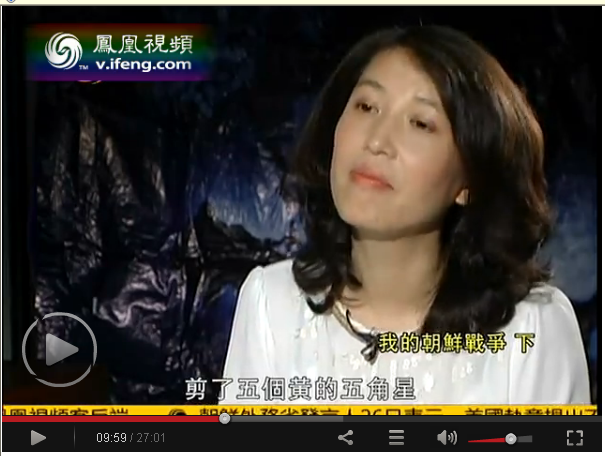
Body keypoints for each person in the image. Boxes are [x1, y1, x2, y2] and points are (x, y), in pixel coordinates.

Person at [220, 25, 591, 405]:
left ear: (470, 179)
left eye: (420, 123)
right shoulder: (271, 304)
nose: (377, 141)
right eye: (366, 106)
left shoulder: (533, 330)